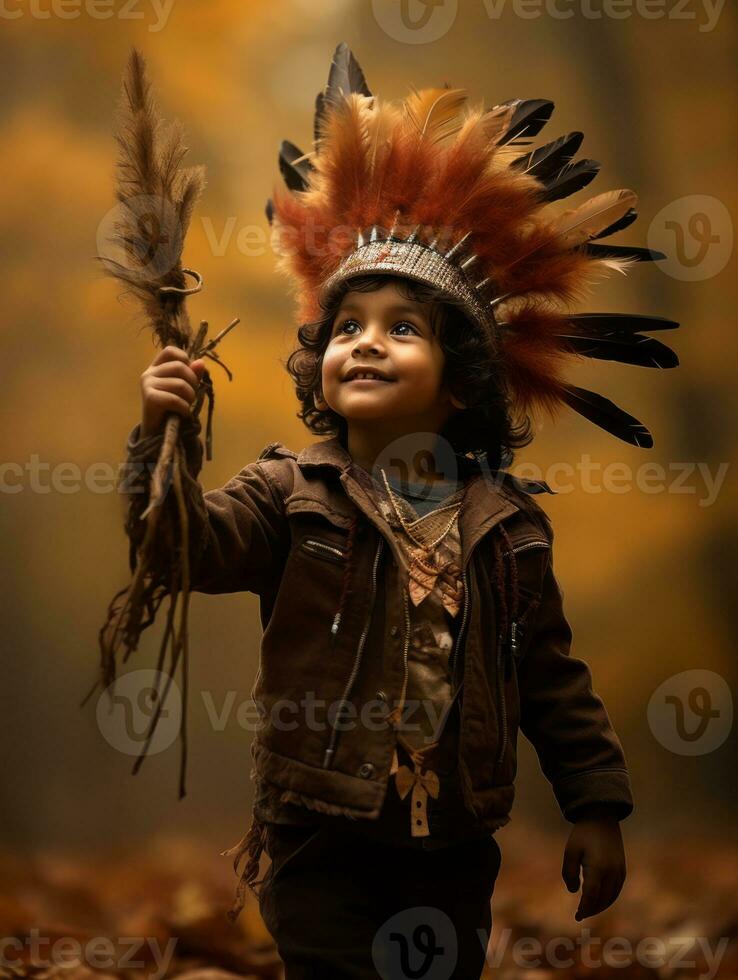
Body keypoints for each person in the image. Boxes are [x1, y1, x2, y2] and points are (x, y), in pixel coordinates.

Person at [121, 42, 679, 980]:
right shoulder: (288, 492)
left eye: (402, 328)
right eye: (346, 327)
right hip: (319, 831)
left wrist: (598, 807)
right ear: (321, 366)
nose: (365, 345)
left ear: (462, 381)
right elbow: (181, 551)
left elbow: (551, 680)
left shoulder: (507, 528)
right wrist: (159, 441)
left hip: (453, 842)